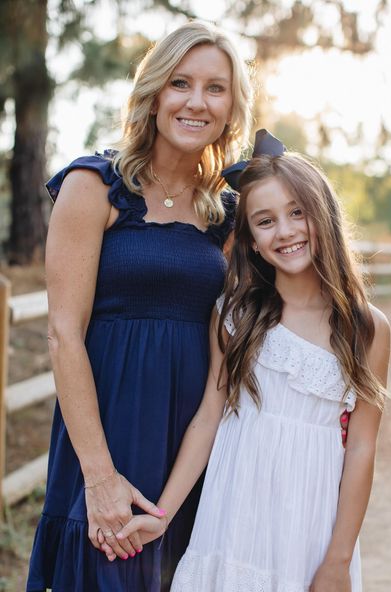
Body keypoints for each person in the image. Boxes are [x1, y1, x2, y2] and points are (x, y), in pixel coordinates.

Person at [103, 131, 391, 591]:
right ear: (252, 240)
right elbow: (208, 419)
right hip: (232, 520)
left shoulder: (366, 328)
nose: (287, 231)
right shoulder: (234, 315)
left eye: (298, 212)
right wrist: (162, 515)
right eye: (265, 221)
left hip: (308, 530)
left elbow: (361, 449)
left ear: (324, 215)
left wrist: (338, 558)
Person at [26, 20, 253, 592]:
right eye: (180, 83)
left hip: (189, 446)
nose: (196, 102)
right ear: (153, 94)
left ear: (231, 108)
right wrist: (99, 477)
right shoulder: (94, 185)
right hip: (106, 433)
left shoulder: (228, 214)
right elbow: (62, 334)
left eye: (215, 89)